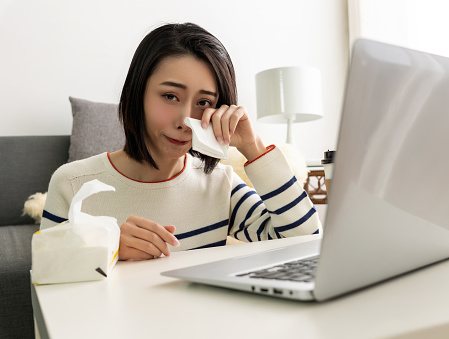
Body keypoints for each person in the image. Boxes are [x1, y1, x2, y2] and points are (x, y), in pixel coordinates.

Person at [40, 23, 321, 260]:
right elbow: (47, 278)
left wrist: (252, 146)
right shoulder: (72, 183)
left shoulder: (220, 184)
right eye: (170, 96)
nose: (185, 120)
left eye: (203, 102)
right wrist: (107, 246)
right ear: (138, 94)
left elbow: (304, 241)